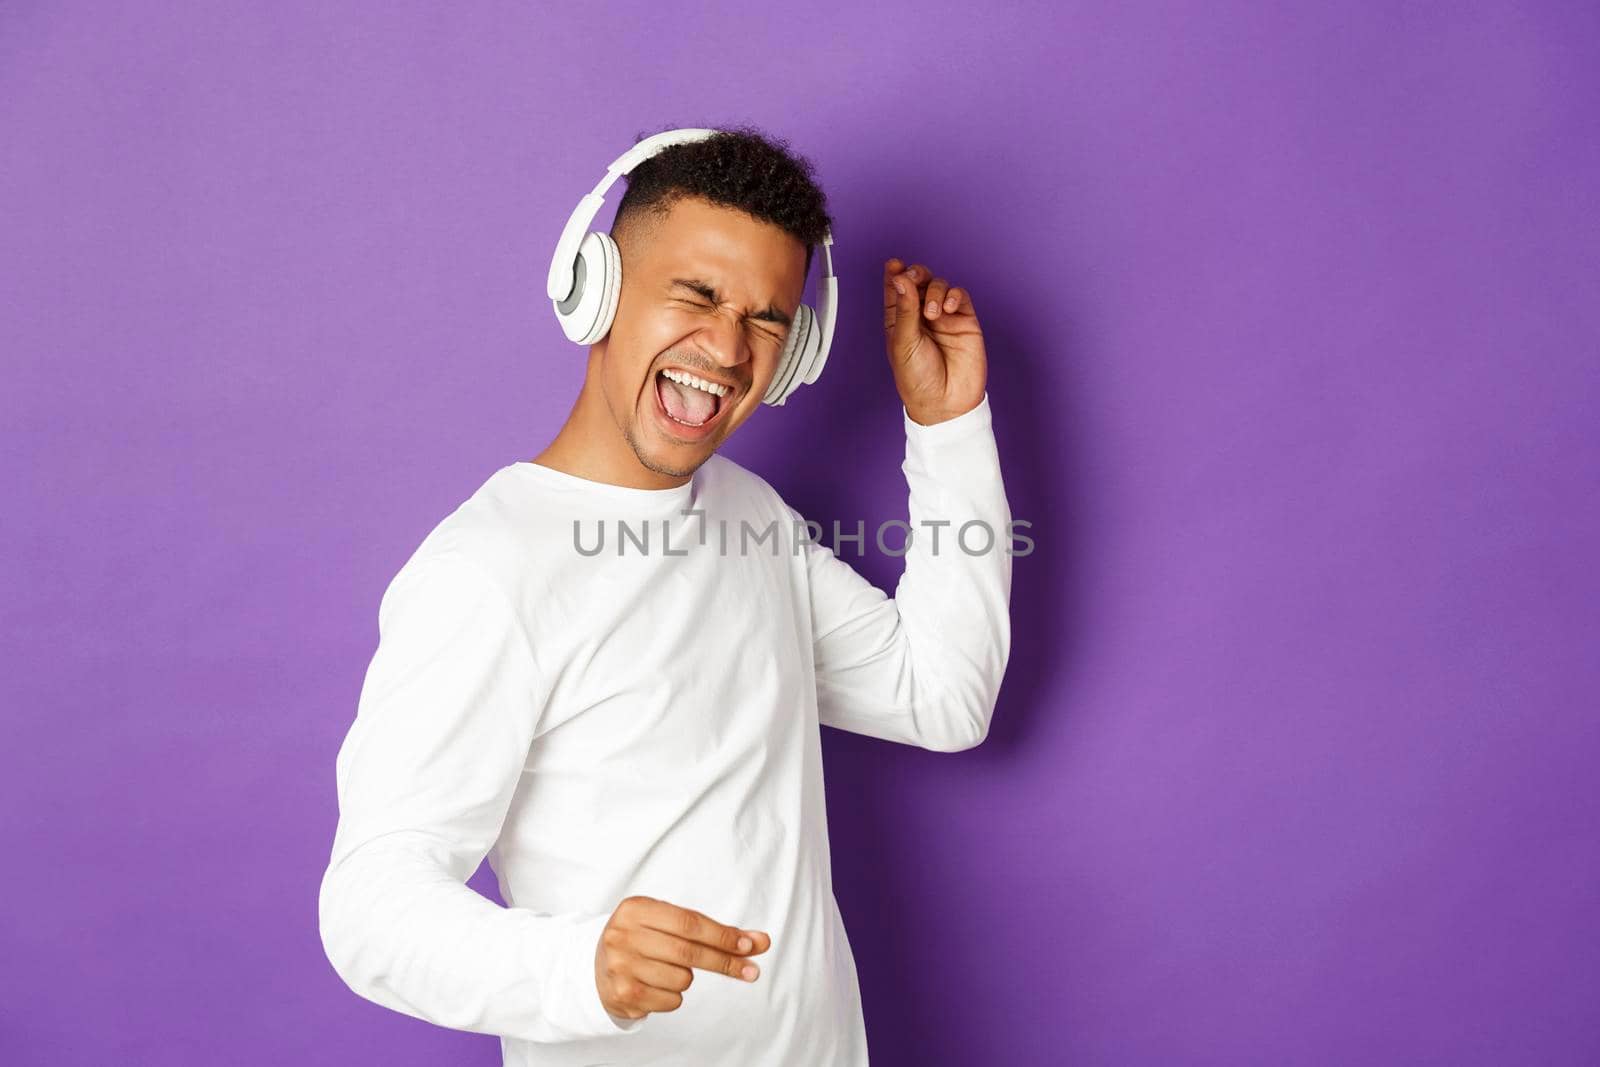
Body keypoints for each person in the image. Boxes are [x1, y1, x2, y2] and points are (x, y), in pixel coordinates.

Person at [317, 124, 1014, 1066]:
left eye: (767, 319)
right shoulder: (486, 569)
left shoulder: (750, 518)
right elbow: (369, 906)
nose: (727, 346)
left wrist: (948, 426)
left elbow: (942, 696)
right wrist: (578, 964)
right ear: (596, 289)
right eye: (696, 293)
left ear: (796, 351)